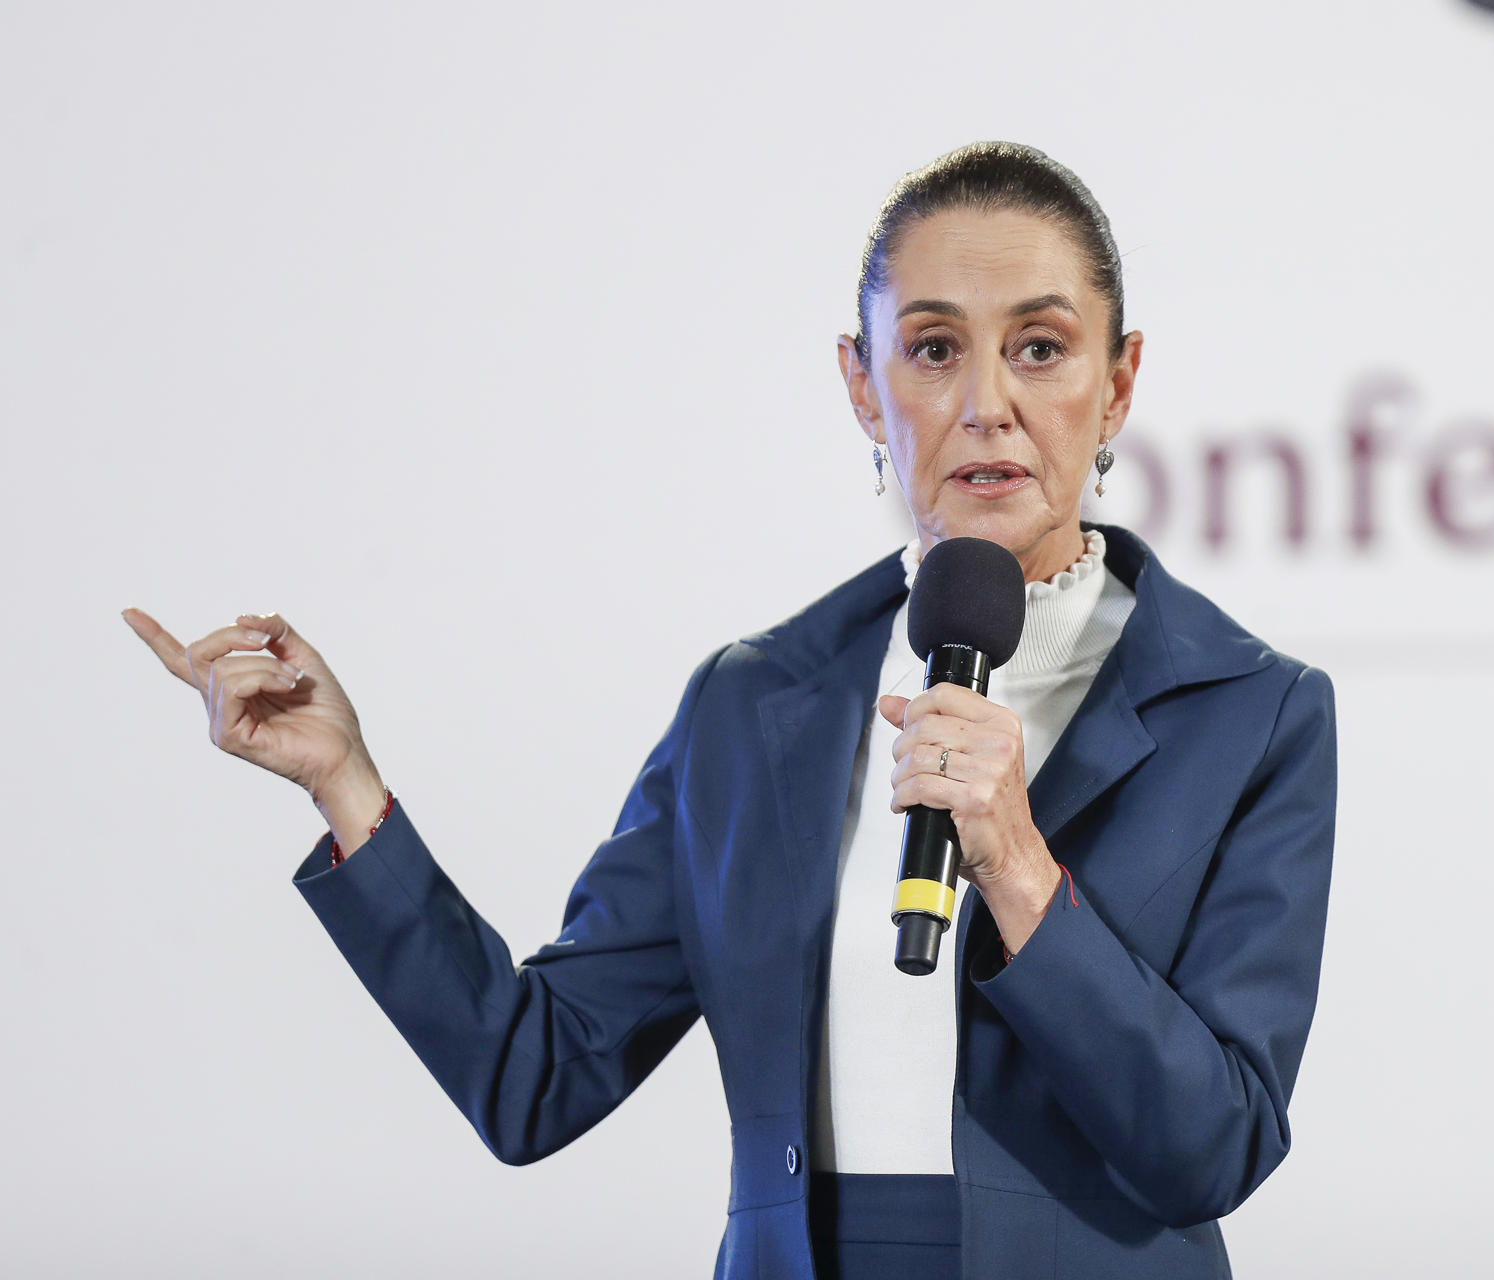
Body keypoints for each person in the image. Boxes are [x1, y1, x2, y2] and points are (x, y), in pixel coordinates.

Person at [124, 141, 1338, 1280]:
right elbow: (533, 1074)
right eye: (930, 347)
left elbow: (1213, 1149)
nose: (986, 403)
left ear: (1117, 381)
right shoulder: (755, 701)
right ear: (862, 385)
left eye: (1039, 347)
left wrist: (1016, 861)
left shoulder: (1251, 712)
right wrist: (347, 786)